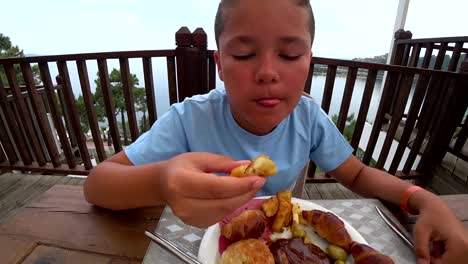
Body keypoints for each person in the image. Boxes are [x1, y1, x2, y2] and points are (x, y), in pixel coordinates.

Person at [84, 0, 468, 263]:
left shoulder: (309, 118)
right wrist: (161, 182)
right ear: (219, 63)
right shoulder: (189, 119)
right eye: (244, 54)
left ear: (309, 61)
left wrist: (423, 200)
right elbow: (98, 184)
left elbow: (358, 175)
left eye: (288, 55)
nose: (267, 71)